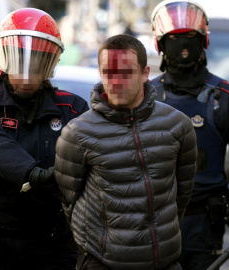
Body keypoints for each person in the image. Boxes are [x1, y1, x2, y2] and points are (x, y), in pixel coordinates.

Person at [0, 8, 88, 270]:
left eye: (36, 61)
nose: (27, 71)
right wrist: (34, 175)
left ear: (50, 63)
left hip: (52, 247)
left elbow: (93, 158)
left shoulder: (72, 108)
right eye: (19, 59)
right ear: (2, 58)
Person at [54, 34, 197, 270]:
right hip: (103, 262)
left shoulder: (177, 125)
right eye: (108, 73)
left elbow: (181, 194)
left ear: (144, 73)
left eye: (126, 72)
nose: (116, 81)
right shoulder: (78, 133)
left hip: (165, 261)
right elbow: (68, 201)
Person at [150, 1, 229, 269]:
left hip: (204, 224)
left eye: (190, 36)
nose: (183, 45)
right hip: (151, 221)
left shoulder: (226, 97)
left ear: (203, 40)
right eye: (174, 38)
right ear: (160, 42)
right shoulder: (144, 96)